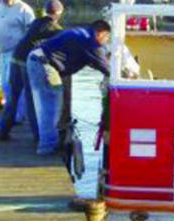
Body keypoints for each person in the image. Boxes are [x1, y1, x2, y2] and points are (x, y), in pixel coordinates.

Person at [27, 20, 111, 156]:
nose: (106, 41)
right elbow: (106, 67)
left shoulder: (82, 34)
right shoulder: (89, 41)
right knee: (51, 107)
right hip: (43, 65)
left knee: (47, 106)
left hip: (36, 60)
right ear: (101, 33)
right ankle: (46, 148)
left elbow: (92, 60)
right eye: (107, 37)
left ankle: (47, 143)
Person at [0, 0, 64, 142]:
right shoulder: (56, 29)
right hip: (27, 63)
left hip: (15, 59)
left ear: (46, 11)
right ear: (59, 13)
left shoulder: (36, 22)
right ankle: (38, 137)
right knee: (32, 100)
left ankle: (2, 131)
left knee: (13, 99)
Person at [0, 0, 35, 118]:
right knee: (5, 84)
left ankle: (18, 114)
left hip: (16, 52)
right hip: (2, 52)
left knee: (14, 84)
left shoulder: (24, 9)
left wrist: (25, 50)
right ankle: (10, 111)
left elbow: (32, 31)